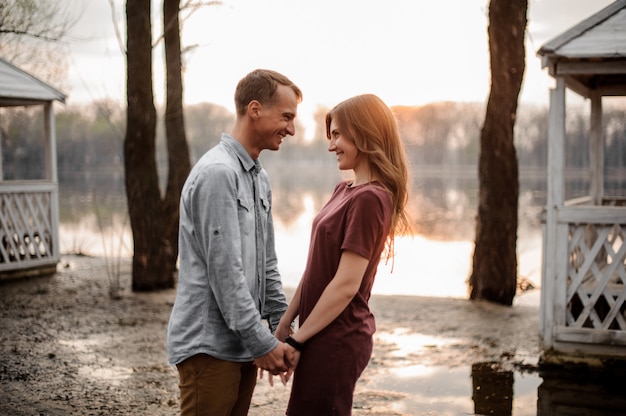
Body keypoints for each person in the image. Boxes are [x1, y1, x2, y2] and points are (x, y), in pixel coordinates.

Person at [166, 69, 302, 416]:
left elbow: (267, 266)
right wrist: (262, 343)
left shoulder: (259, 177)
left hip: (243, 345)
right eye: (286, 116)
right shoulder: (218, 173)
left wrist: (281, 333)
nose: (291, 129)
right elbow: (226, 275)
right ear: (254, 109)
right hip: (209, 348)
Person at [274, 94, 413, 415]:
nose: (330, 145)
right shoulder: (344, 190)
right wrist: (286, 323)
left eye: (337, 135)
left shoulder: (371, 199)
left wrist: (299, 341)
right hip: (317, 332)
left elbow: (346, 284)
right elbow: (315, 270)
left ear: (363, 134)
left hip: (338, 337)